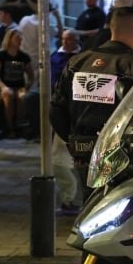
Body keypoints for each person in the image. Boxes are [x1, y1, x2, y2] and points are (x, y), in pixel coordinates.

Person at [50, 6, 133, 200]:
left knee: (92, 212)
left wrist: (75, 143)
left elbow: (56, 110)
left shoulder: (78, 62)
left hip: (85, 157)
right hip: (125, 161)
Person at [50, 29, 83, 216]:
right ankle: (68, 200)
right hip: (63, 109)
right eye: (64, 39)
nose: (67, 42)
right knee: (60, 158)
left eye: (70, 38)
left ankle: (69, 199)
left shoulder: (82, 57)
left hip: (74, 109)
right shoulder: (56, 57)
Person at [0, 28, 34, 138]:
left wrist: (26, 87)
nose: (20, 40)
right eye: (17, 38)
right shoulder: (1, 55)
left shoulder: (24, 57)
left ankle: (18, 125)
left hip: (19, 86)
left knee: (23, 97)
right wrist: (2, 87)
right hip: (4, 86)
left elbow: (31, 77)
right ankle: (10, 128)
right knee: (8, 94)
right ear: (10, 39)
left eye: (21, 38)